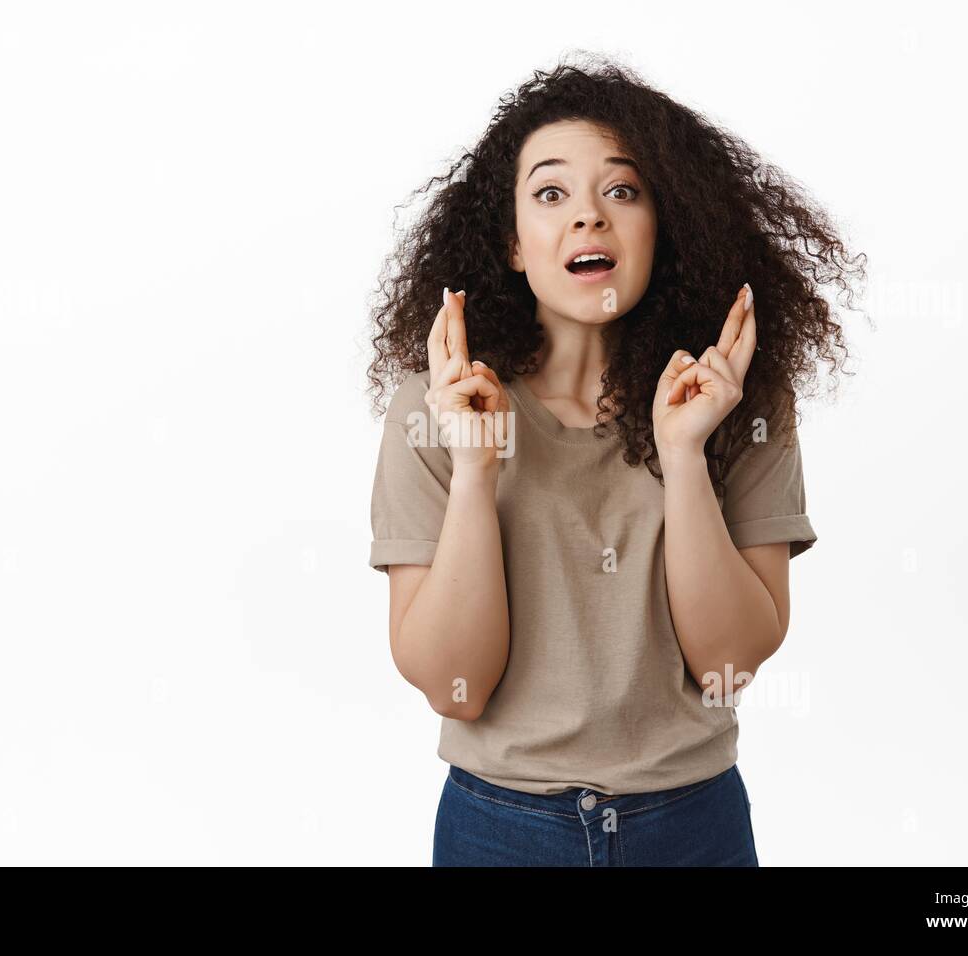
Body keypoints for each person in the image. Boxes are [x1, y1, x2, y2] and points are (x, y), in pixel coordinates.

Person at [364, 55, 863, 866]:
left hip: (693, 825)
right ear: (514, 244)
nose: (589, 217)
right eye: (551, 193)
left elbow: (730, 663)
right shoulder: (442, 408)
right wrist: (478, 465)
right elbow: (451, 680)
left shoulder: (736, 401)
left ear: (662, 229)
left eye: (622, 192)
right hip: (500, 829)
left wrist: (685, 453)